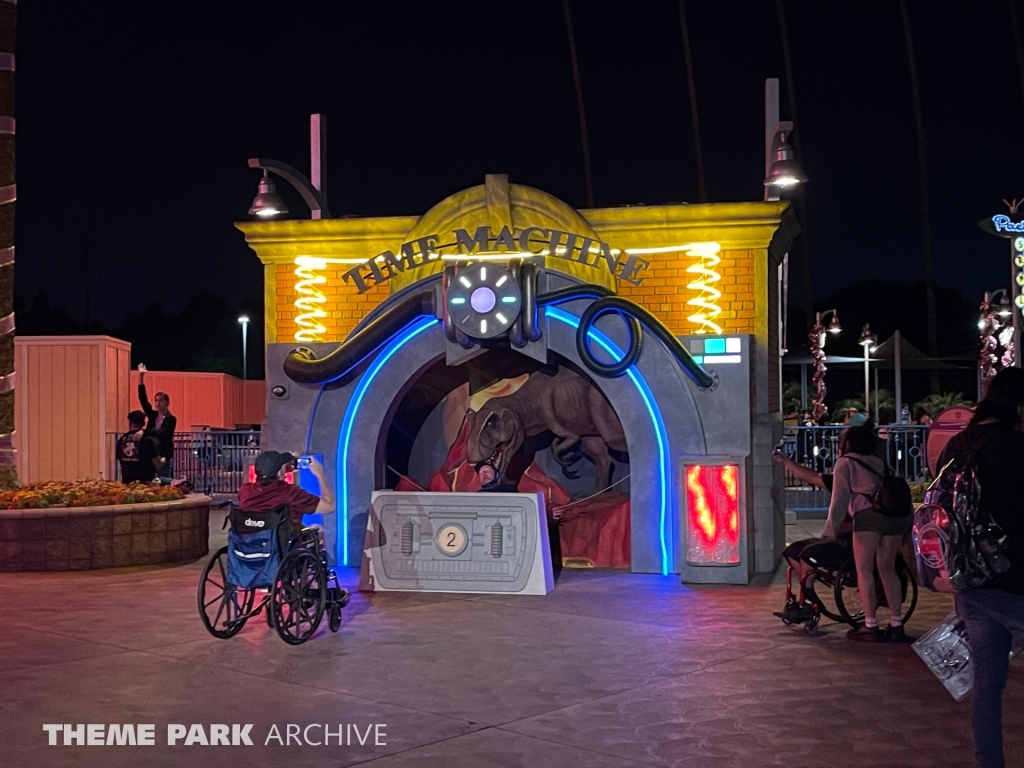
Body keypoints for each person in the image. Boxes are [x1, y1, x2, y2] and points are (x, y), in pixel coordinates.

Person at [937, 367, 1024, 768]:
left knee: (986, 686)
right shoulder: (1016, 446)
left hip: (971, 582)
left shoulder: (956, 445)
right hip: (1016, 580)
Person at [823, 422, 909, 642]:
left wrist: (830, 529)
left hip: (867, 518)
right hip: (893, 518)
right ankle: (896, 623)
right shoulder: (879, 462)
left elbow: (839, 499)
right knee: (887, 569)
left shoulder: (845, 463)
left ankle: (870, 625)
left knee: (865, 571)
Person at [772, 448, 849, 623]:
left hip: (851, 539)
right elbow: (813, 477)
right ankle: (809, 597)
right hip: (836, 537)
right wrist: (786, 462)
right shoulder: (840, 480)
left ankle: (808, 601)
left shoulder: (864, 481)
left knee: (808, 554)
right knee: (792, 551)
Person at [237, 451, 334, 534]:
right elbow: (330, 506)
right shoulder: (290, 493)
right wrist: (320, 474)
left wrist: (281, 471)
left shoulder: (245, 491)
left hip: (252, 546)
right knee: (318, 530)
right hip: (283, 549)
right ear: (279, 472)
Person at [137, 364, 177, 480]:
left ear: (167, 403)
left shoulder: (171, 419)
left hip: (163, 455)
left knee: (163, 480)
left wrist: (144, 432)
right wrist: (141, 377)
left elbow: (163, 434)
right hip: (152, 454)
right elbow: (143, 399)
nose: (157, 403)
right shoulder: (153, 415)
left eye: (161, 401)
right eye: (156, 400)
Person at [116, 410, 165, 484]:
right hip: (146, 483)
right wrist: (165, 458)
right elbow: (158, 464)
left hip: (127, 483)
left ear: (130, 423)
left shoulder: (121, 440)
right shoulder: (148, 441)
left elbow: (120, 460)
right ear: (143, 424)